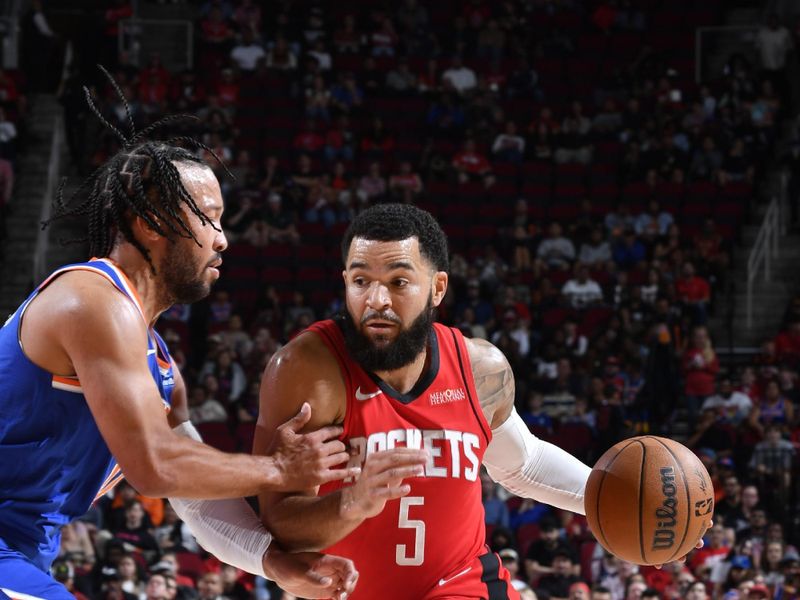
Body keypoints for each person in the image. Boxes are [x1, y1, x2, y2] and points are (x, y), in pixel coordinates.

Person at [0, 72, 359, 600]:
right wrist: (278, 468)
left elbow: (195, 499)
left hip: (21, 554)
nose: (223, 239)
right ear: (148, 220)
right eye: (210, 218)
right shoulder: (92, 299)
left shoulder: (161, 369)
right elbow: (154, 466)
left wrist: (276, 564)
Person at [255, 203, 594, 599]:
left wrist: (616, 499)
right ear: (345, 281)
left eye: (399, 282)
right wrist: (351, 503)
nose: (377, 299)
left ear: (437, 288)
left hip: (464, 587)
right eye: (361, 281)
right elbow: (277, 524)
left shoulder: (480, 368)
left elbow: (523, 465)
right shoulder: (306, 370)